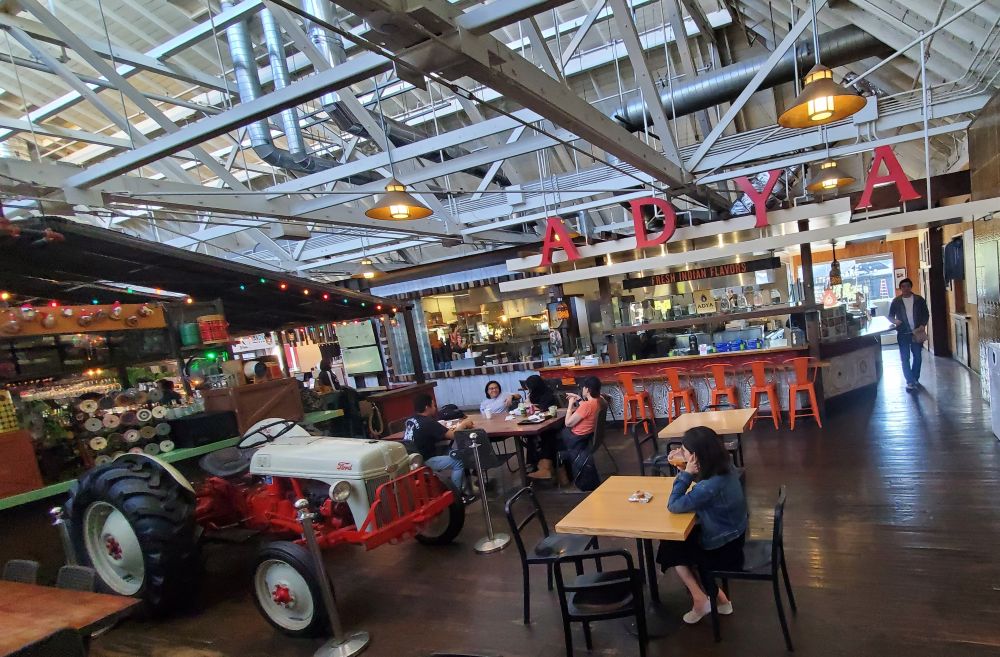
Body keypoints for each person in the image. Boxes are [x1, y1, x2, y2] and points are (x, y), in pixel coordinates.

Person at [657, 427, 747, 625]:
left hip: (723, 547)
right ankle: (720, 599)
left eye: (684, 451)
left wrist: (686, 474)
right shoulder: (726, 465)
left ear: (695, 456)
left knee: (671, 546)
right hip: (735, 535)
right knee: (674, 543)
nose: (681, 453)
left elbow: (674, 505)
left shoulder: (709, 487)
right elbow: (704, 484)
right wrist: (686, 469)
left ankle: (700, 600)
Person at [531, 376, 603, 490]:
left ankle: (546, 468)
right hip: (586, 437)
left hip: (575, 439)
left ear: (587, 389)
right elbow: (586, 411)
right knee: (550, 436)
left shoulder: (586, 405)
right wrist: (579, 399)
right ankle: (550, 469)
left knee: (548, 439)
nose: (582, 389)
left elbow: (568, 423)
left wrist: (570, 404)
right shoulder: (598, 401)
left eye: (583, 387)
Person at [402, 393, 475, 503]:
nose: (435, 407)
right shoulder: (428, 422)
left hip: (410, 460)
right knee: (458, 461)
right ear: (427, 407)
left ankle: (460, 486)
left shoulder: (410, 419)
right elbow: (453, 435)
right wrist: (464, 424)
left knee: (454, 452)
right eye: (433, 405)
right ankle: (456, 497)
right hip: (423, 461)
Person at [887, 278, 930, 391]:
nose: (905, 288)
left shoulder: (919, 300)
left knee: (918, 356)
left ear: (911, 287)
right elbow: (890, 316)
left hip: (917, 332)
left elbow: (926, 314)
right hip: (903, 333)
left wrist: (923, 324)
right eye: (903, 286)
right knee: (905, 358)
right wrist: (895, 321)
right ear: (900, 288)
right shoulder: (896, 301)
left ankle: (915, 378)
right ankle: (909, 381)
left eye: (907, 286)